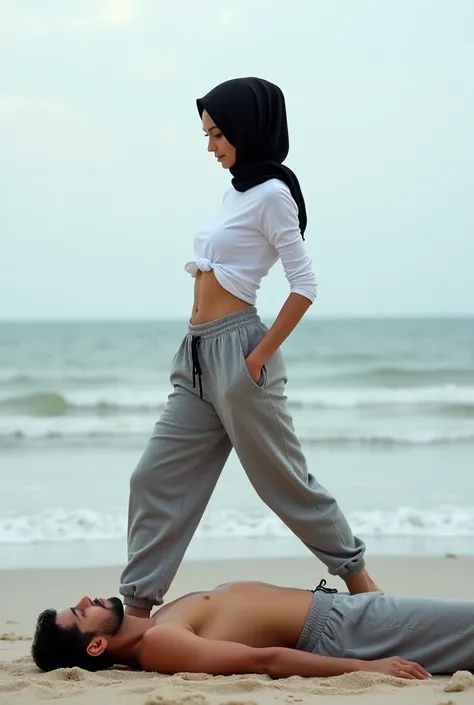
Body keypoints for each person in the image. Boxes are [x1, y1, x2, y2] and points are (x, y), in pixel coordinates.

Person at [119, 76, 379, 619]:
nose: (210, 146)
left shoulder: (274, 195)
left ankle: (368, 593)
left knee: (282, 482)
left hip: (239, 351)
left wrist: (256, 358)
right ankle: (138, 609)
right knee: (153, 477)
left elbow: (304, 284)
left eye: (217, 134)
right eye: (207, 134)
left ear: (246, 129)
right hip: (193, 357)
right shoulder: (235, 189)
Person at [32, 578, 474, 678]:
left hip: (347, 613)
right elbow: (263, 660)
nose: (88, 600)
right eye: (81, 612)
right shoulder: (159, 642)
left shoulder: (151, 622)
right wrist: (366, 668)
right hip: (349, 632)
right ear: (96, 647)